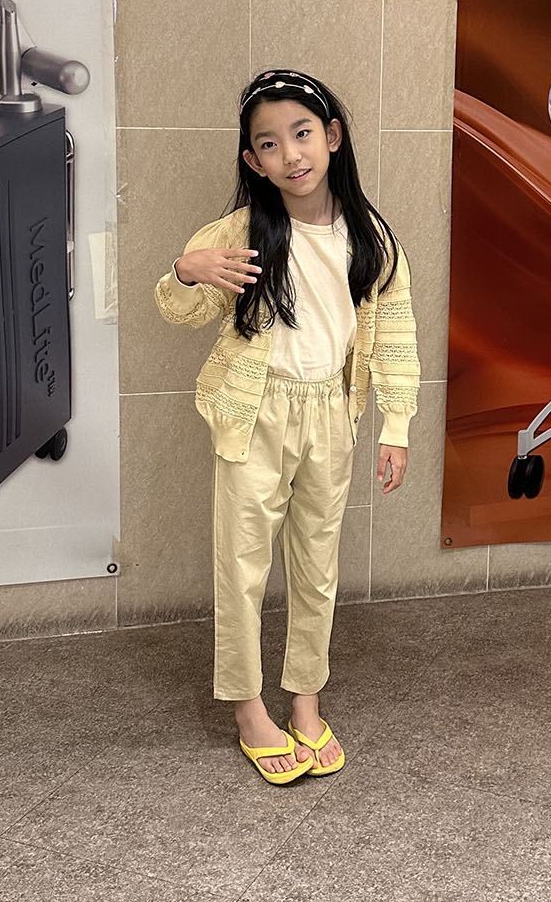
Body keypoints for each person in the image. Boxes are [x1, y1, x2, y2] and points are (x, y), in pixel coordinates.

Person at [155, 69, 420, 783]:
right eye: (268, 144)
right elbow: (177, 310)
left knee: (316, 568)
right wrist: (186, 270)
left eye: (302, 134)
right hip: (255, 414)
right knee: (241, 568)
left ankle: (305, 700)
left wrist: (395, 424)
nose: (290, 154)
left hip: (331, 413)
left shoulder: (372, 237)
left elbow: (396, 335)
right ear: (253, 160)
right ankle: (249, 711)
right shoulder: (242, 232)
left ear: (331, 137)